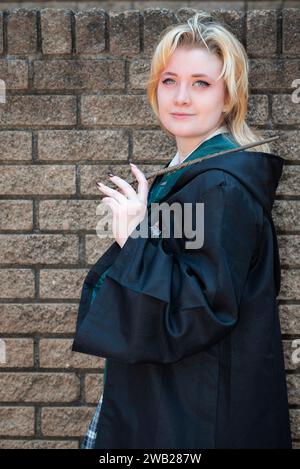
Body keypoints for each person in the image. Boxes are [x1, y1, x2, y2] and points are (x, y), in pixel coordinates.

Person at [72, 11, 292, 449]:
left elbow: (202, 308)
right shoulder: (190, 174)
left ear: (229, 97)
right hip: (169, 400)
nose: (181, 97)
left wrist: (133, 238)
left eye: (201, 83)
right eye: (169, 80)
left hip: (194, 417)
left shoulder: (221, 186)